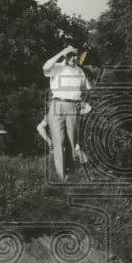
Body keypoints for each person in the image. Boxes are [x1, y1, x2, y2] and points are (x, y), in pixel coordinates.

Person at [43, 46, 91, 180]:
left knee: (71, 140)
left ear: (78, 57)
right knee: (59, 140)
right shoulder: (57, 67)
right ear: (65, 56)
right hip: (57, 104)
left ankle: (70, 172)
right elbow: (45, 67)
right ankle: (60, 175)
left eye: (75, 55)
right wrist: (62, 51)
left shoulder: (80, 71)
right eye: (69, 55)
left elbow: (88, 89)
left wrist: (83, 101)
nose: (72, 58)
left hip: (73, 106)